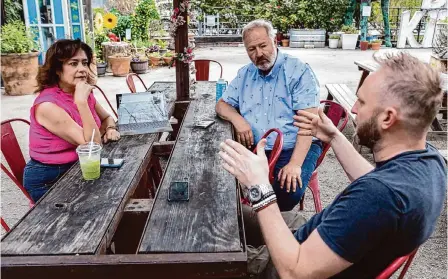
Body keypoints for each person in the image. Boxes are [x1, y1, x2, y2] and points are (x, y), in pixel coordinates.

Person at [219, 52, 447, 278]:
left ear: (387, 118)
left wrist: (260, 186)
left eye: (363, 102)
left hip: (288, 263)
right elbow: (376, 180)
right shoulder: (430, 162)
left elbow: (293, 272)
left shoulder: (377, 197)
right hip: (320, 236)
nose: (354, 108)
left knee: (206, 252)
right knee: (230, 215)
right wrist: (334, 136)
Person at [215, 19, 322, 211]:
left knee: (287, 194)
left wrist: (295, 164)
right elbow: (222, 105)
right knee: (218, 180)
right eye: (251, 49)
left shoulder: (298, 71)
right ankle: (245, 223)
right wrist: (238, 120)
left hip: (294, 146)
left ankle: (267, 228)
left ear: (275, 40)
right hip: (259, 148)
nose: (259, 54)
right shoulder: (245, 74)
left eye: (263, 45)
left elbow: (308, 124)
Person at [23, 39, 120, 203]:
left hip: (78, 164)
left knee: (119, 185)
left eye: (85, 63)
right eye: (73, 64)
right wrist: (81, 103)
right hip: (50, 176)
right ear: (57, 70)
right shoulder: (48, 105)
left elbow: (107, 117)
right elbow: (92, 145)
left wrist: (110, 128)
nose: (82, 69)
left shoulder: (81, 92)